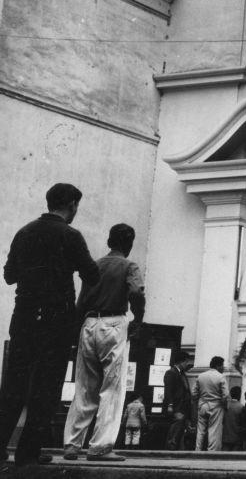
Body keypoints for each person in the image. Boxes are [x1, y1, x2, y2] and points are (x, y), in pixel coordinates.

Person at [0, 183, 99, 466]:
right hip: (57, 321)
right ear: (71, 204)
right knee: (46, 387)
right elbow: (91, 275)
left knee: (13, 385)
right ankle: (27, 453)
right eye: (76, 206)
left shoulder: (25, 232)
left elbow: (9, 276)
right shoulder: (71, 235)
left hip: (24, 318)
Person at [63, 222, 145, 462]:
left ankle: (72, 444)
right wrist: (138, 318)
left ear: (109, 241)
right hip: (114, 323)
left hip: (88, 324)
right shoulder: (129, 265)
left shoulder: (95, 265)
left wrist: (75, 332)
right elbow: (136, 293)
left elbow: (81, 301)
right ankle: (100, 446)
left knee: (85, 387)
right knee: (112, 388)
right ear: (129, 244)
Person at [193, 355, 229, 451]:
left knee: (200, 430)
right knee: (214, 430)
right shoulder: (221, 377)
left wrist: (199, 400)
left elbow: (194, 393)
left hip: (202, 405)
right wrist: (224, 406)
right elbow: (225, 395)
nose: (223, 368)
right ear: (218, 366)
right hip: (216, 406)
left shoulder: (201, 376)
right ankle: (212, 452)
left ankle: (198, 450)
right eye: (222, 366)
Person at [163, 351, 194, 450]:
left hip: (183, 408)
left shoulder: (182, 374)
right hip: (177, 407)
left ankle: (175, 450)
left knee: (179, 431)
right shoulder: (171, 373)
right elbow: (168, 391)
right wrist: (171, 406)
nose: (186, 365)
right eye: (186, 362)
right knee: (175, 431)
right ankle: (170, 450)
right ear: (181, 362)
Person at [223, 386, 245, 451]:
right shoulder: (241, 407)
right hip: (236, 437)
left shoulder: (226, 406)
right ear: (240, 395)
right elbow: (242, 422)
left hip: (225, 436)